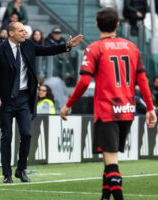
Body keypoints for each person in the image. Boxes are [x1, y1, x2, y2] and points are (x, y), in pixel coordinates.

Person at [60, 8, 156, 200]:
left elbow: (85, 81)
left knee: (111, 161)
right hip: (127, 111)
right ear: (117, 25)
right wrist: (150, 108)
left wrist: (68, 105)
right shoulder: (132, 47)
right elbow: (143, 80)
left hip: (107, 111)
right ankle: (105, 197)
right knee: (109, 155)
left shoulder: (95, 48)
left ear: (96, 25)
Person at [0, 21, 83, 183]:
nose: (25, 33)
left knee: (27, 134)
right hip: (5, 100)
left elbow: (47, 50)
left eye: (25, 31)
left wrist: (66, 45)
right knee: (6, 136)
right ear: (11, 33)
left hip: (24, 98)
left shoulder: (28, 45)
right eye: (21, 31)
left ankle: (21, 169)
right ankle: (7, 174)